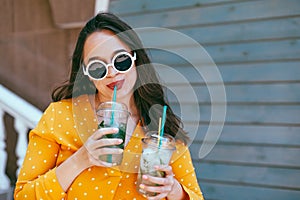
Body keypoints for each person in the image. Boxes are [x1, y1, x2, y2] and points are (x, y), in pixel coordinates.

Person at [14, 12, 204, 200]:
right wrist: (80, 160)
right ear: (87, 73)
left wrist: (174, 191)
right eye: (98, 67)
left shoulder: (163, 131)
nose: (112, 73)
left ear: (135, 59)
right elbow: (23, 197)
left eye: (120, 60)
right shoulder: (60, 116)